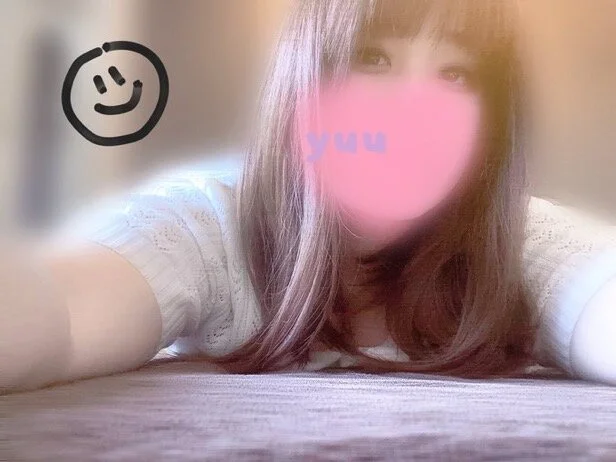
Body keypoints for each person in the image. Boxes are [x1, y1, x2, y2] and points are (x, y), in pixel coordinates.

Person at [3, 0, 616, 395]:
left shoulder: (522, 243)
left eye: (456, 75)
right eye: (372, 59)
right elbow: (62, 313)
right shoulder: (207, 222)